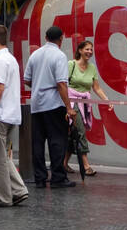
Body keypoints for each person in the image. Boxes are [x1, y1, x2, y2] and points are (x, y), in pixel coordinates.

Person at [0, 25, 29, 207]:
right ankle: (18, 190)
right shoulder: (10, 59)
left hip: (1, 114)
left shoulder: (1, 60)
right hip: (11, 114)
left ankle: (4, 196)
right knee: (4, 156)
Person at [24, 25, 73, 188]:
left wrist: (39, 83)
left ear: (46, 37)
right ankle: (58, 177)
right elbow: (61, 83)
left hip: (37, 104)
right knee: (57, 141)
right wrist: (68, 107)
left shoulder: (35, 54)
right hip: (53, 104)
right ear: (61, 39)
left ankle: (40, 177)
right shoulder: (59, 56)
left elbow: (27, 80)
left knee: (38, 142)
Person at [65, 39, 109, 176]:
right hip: (71, 103)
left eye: (91, 49)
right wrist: (66, 107)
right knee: (80, 131)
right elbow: (62, 85)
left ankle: (63, 163)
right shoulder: (71, 64)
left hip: (84, 104)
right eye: (87, 49)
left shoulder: (92, 68)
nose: (90, 52)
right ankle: (86, 165)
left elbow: (96, 87)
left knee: (74, 134)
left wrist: (107, 100)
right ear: (80, 50)